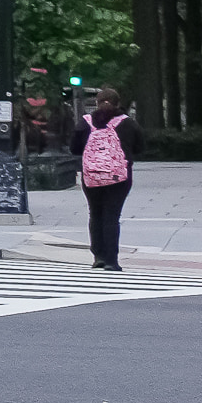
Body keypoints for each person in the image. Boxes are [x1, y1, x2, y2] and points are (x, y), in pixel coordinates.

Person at [74, 88, 136, 270]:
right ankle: (111, 260)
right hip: (119, 177)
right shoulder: (127, 123)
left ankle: (98, 255)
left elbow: (74, 148)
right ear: (118, 103)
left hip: (92, 176)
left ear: (96, 103)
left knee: (95, 213)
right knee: (112, 215)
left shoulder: (85, 123)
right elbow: (140, 146)